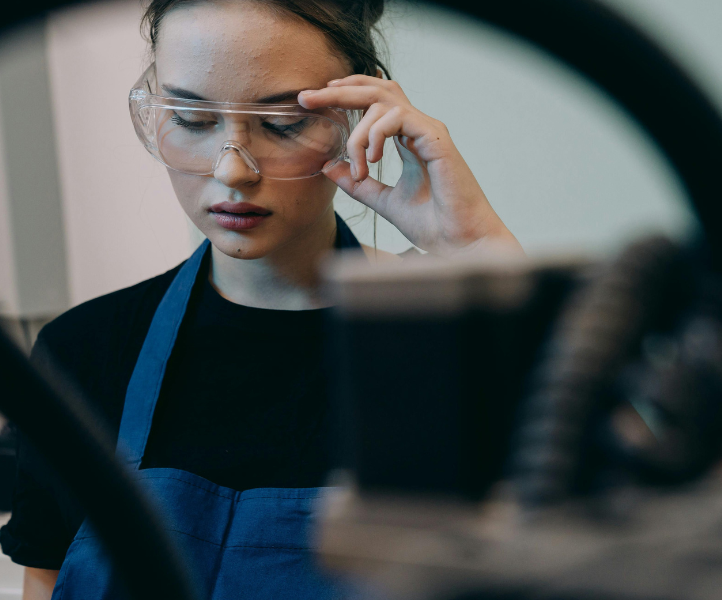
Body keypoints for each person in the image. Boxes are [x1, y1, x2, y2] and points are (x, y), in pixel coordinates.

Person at [0, 0, 522, 598]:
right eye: (192, 120)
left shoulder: (444, 349)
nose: (231, 170)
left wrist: (477, 247)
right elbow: (42, 579)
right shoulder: (81, 350)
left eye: (282, 124)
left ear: (355, 118)